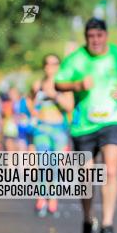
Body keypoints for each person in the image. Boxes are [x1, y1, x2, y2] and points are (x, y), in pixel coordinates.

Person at [55, 18, 117, 233]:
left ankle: (107, 224)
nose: (95, 41)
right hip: (83, 125)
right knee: (86, 177)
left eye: (99, 36)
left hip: (112, 121)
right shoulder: (76, 59)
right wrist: (77, 85)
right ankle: (88, 219)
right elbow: (59, 83)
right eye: (91, 37)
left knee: (110, 170)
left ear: (106, 36)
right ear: (86, 38)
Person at [31, 54, 74, 217]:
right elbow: (29, 101)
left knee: (55, 166)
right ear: (44, 66)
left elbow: (70, 106)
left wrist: (55, 95)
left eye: (55, 63)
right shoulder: (37, 84)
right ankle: (41, 196)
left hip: (58, 129)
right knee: (43, 164)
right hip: (41, 128)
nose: (51, 67)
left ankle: (53, 197)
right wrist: (33, 111)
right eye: (48, 64)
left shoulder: (64, 85)